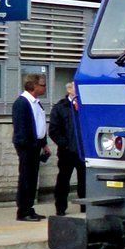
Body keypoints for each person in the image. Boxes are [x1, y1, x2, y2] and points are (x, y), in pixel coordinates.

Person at [12, 74, 50, 221]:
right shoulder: (22, 103)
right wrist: (28, 146)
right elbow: (20, 128)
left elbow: (39, 123)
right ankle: (23, 210)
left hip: (36, 145)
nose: (44, 87)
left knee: (33, 178)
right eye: (42, 85)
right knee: (26, 178)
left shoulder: (36, 103)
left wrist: (44, 143)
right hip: (27, 147)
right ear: (33, 86)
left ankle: (29, 207)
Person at [49, 81, 85, 216]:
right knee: (63, 180)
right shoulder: (60, 107)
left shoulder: (84, 106)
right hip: (67, 151)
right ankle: (60, 207)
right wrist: (64, 144)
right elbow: (53, 130)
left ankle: (85, 206)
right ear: (69, 90)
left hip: (82, 151)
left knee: (84, 181)